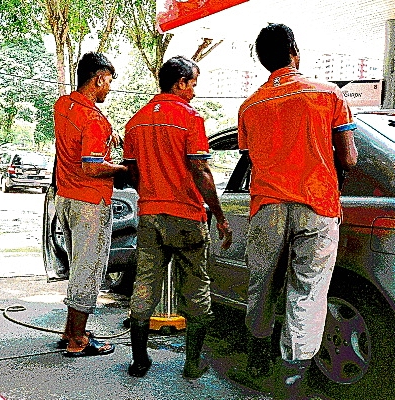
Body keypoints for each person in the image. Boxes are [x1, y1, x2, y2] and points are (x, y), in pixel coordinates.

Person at [234, 23, 358, 398]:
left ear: (262, 60)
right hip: (317, 206)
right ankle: (291, 380)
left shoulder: (249, 106)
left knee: (262, 285)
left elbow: (251, 160)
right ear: (295, 51)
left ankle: (257, 360)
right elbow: (349, 158)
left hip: (267, 208)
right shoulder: (329, 94)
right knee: (307, 292)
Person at [122, 56, 233, 378]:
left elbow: (131, 172)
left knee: (144, 285)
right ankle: (192, 363)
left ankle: (140, 361)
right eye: (193, 84)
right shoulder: (190, 118)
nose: (194, 92)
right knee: (196, 288)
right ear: (180, 82)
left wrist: (151, 191)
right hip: (186, 216)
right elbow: (200, 169)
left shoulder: (136, 122)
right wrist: (220, 216)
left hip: (149, 215)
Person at [53, 52, 127, 357]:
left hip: (65, 199)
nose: (109, 88)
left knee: (78, 268)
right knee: (89, 270)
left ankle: (70, 330)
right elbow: (92, 166)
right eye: (107, 81)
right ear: (97, 79)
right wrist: (123, 169)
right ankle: (77, 340)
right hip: (90, 203)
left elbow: (77, 142)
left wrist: (110, 137)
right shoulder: (95, 119)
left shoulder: (63, 105)